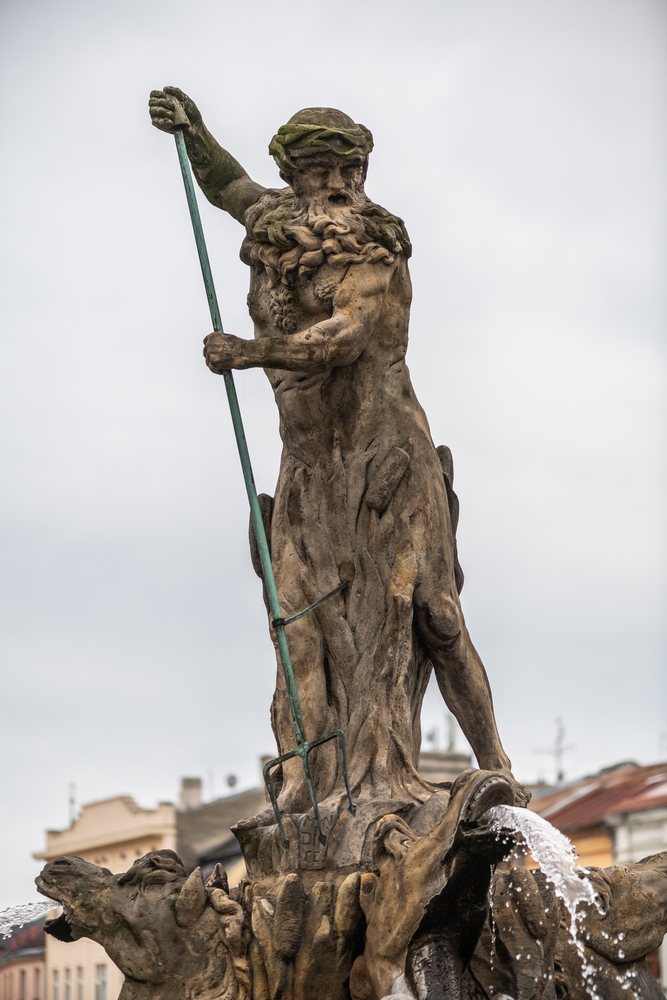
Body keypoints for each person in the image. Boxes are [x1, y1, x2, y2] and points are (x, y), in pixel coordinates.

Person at [149, 87, 526, 813]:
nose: (337, 183)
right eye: (320, 169)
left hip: (386, 460)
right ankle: (301, 778)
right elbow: (224, 182)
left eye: (348, 169)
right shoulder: (274, 224)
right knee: (296, 625)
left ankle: (497, 764)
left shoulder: (372, 244)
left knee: (435, 616)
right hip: (307, 467)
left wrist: (251, 351)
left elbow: (345, 334)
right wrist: (193, 130)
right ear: (292, 174)